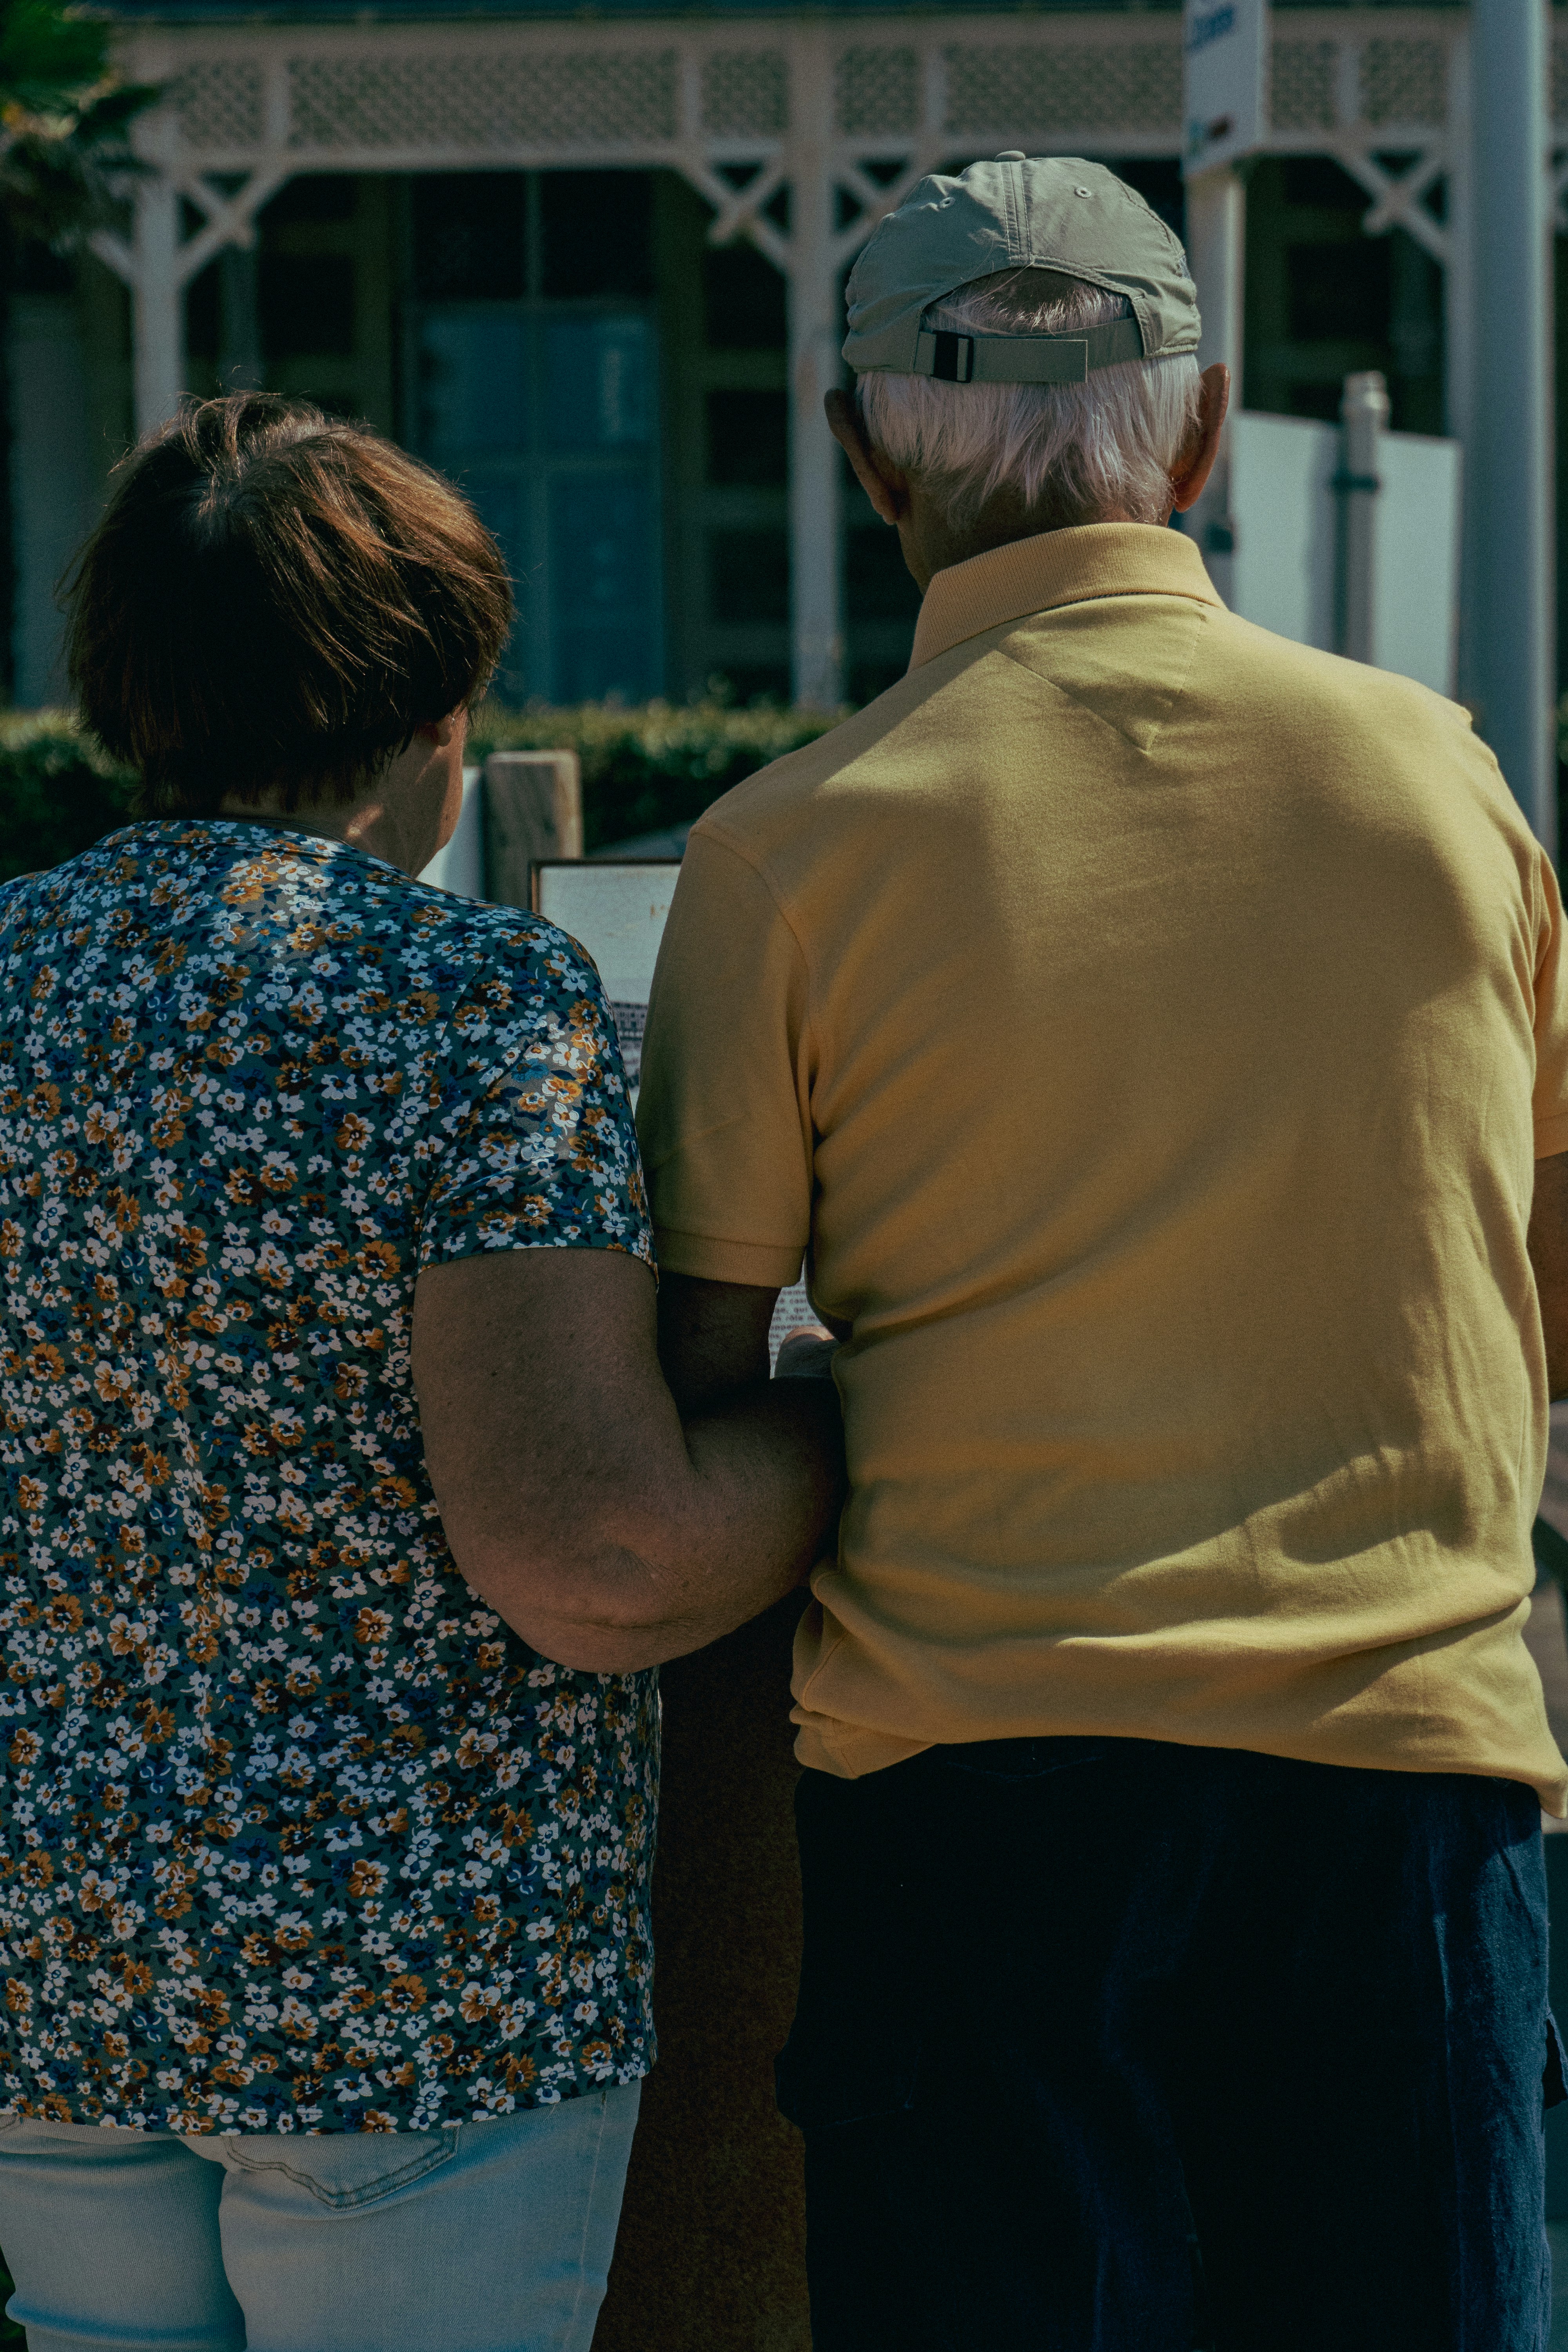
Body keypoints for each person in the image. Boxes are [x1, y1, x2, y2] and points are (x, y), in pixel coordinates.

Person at [635, 154, 1568, 2351]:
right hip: (1403, 1799)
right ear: (1209, 428)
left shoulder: (788, 856)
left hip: (983, 1820)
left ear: (861, 444)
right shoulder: (1439, 782)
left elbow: (696, 1382)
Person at [0, 392, 841, 2352]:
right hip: (412, 1992)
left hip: (54, 1967)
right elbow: (594, 1554)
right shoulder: (467, 1006)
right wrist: (839, 1427)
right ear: (434, 715)